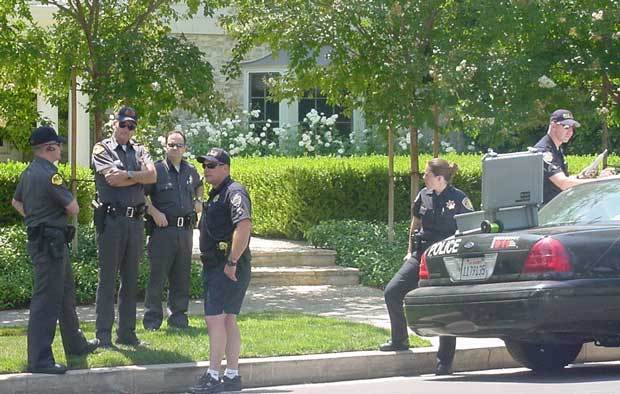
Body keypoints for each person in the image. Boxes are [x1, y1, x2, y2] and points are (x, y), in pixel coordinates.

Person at [12, 126, 99, 374]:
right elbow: (73, 208)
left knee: (65, 294)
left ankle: (75, 344)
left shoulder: (29, 172)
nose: (60, 149)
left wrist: (36, 219)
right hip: (50, 245)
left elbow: (16, 202)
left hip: (48, 242)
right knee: (47, 300)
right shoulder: (51, 175)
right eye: (58, 145)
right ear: (49, 148)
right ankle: (39, 359)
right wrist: (45, 220)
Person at [380, 158, 474, 376]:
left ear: (439, 178)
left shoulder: (460, 199)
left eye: (427, 173)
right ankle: (399, 339)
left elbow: (470, 230)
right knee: (392, 292)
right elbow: (415, 224)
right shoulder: (424, 195)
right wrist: (409, 250)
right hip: (421, 255)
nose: (424, 176)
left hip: (446, 258)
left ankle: (444, 362)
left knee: (445, 305)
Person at [91, 106, 156, 347]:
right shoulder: (102, 148)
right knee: (108, 279)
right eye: (123, 124)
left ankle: (127, 333)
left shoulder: (140, 149)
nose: (127, 129)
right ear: (114, 124)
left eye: (132, 126)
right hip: (112, 221)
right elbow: (112, 179)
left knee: (130, 279)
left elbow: (152, 176)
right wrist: (137, 174)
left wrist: (127, 174)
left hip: (135, 222)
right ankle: (103, 335)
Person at [190, 148, 252, 394]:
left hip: (225, 266)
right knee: (227, 320)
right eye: (205, 166)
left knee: (215, 320)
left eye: (212, 165)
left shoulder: (234, 192)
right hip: (219, 265)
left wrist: (232, 262)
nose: (206, 170)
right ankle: (232, 375)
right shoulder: (218, 193)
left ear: (226, 168)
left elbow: (244, 226)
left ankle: (213, 376)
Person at [143, 131, 204, 330]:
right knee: (157, 278)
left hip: (185, 232)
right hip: (163, 231)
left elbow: (200, 185)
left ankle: (178, 319)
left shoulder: (190, 171)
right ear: (165, 147)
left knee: (181, 276)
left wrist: (198, 200)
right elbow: (141, 195)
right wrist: (153, 212)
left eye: (179, 145)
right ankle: (152, 321)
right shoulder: (157, 171)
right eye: (171, 144)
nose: (175, 148)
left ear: (185, 148)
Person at [534, 109, 609, 205]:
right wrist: (601, 181)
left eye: (572, 128)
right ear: (553, 126)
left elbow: (563, 180)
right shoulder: (543, 151)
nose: (570, 132)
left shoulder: (557, 149)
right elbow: (563, 183)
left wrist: (581, 176)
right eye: (566, 127)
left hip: (557, 208)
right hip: (546, 212)